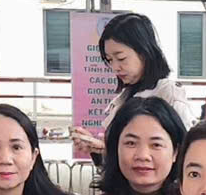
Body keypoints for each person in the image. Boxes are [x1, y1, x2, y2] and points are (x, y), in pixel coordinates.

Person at [70, 13, 195, 155]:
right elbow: (120, 159)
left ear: (144, 52)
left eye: (121, 58)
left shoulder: (168, 94)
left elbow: (187, 153)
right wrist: (97, 149)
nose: (115, 67)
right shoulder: (123, 98)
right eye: (109, 60)